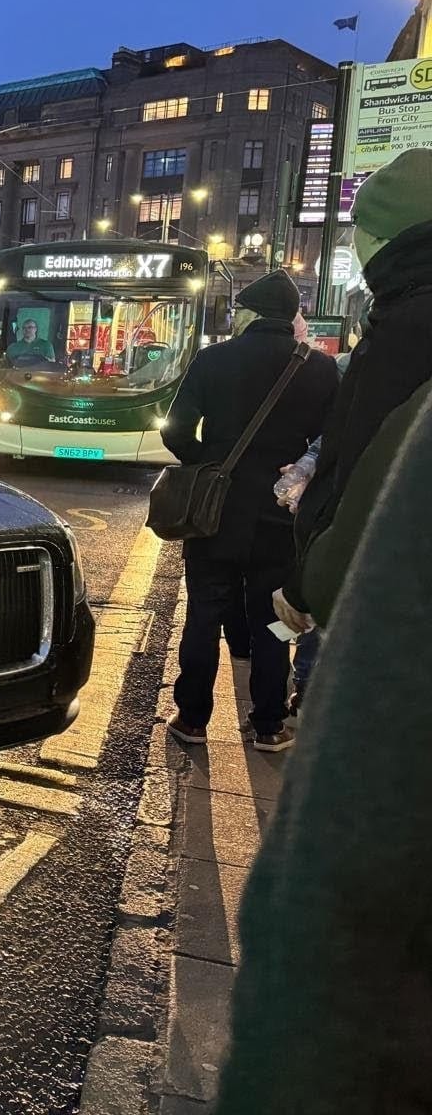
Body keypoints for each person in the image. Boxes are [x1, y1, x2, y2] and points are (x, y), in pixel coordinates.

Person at [213, 385, 432, 1115]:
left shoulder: (397, 402)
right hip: (278, 545)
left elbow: (345, 879)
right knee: (268, 640)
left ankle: (202, 706)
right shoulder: (319, 377)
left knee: (245, 627)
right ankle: (270, 716)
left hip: (245, 536)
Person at [160, 270, 338, 751]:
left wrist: (209, 465)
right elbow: (333, 445)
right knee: (274, 622)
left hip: (214, 515)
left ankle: (193, 718)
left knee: (204, 613)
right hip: (281, 515)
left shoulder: (214, 358)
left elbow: (175, 431)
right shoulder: (321, 370)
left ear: (252, 315)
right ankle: (269, 723)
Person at [277, 147, 432, 636]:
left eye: (357, 229)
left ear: (380, 236)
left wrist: (310, 582)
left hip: (390, 602)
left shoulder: (406, 331)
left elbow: (367, 472)